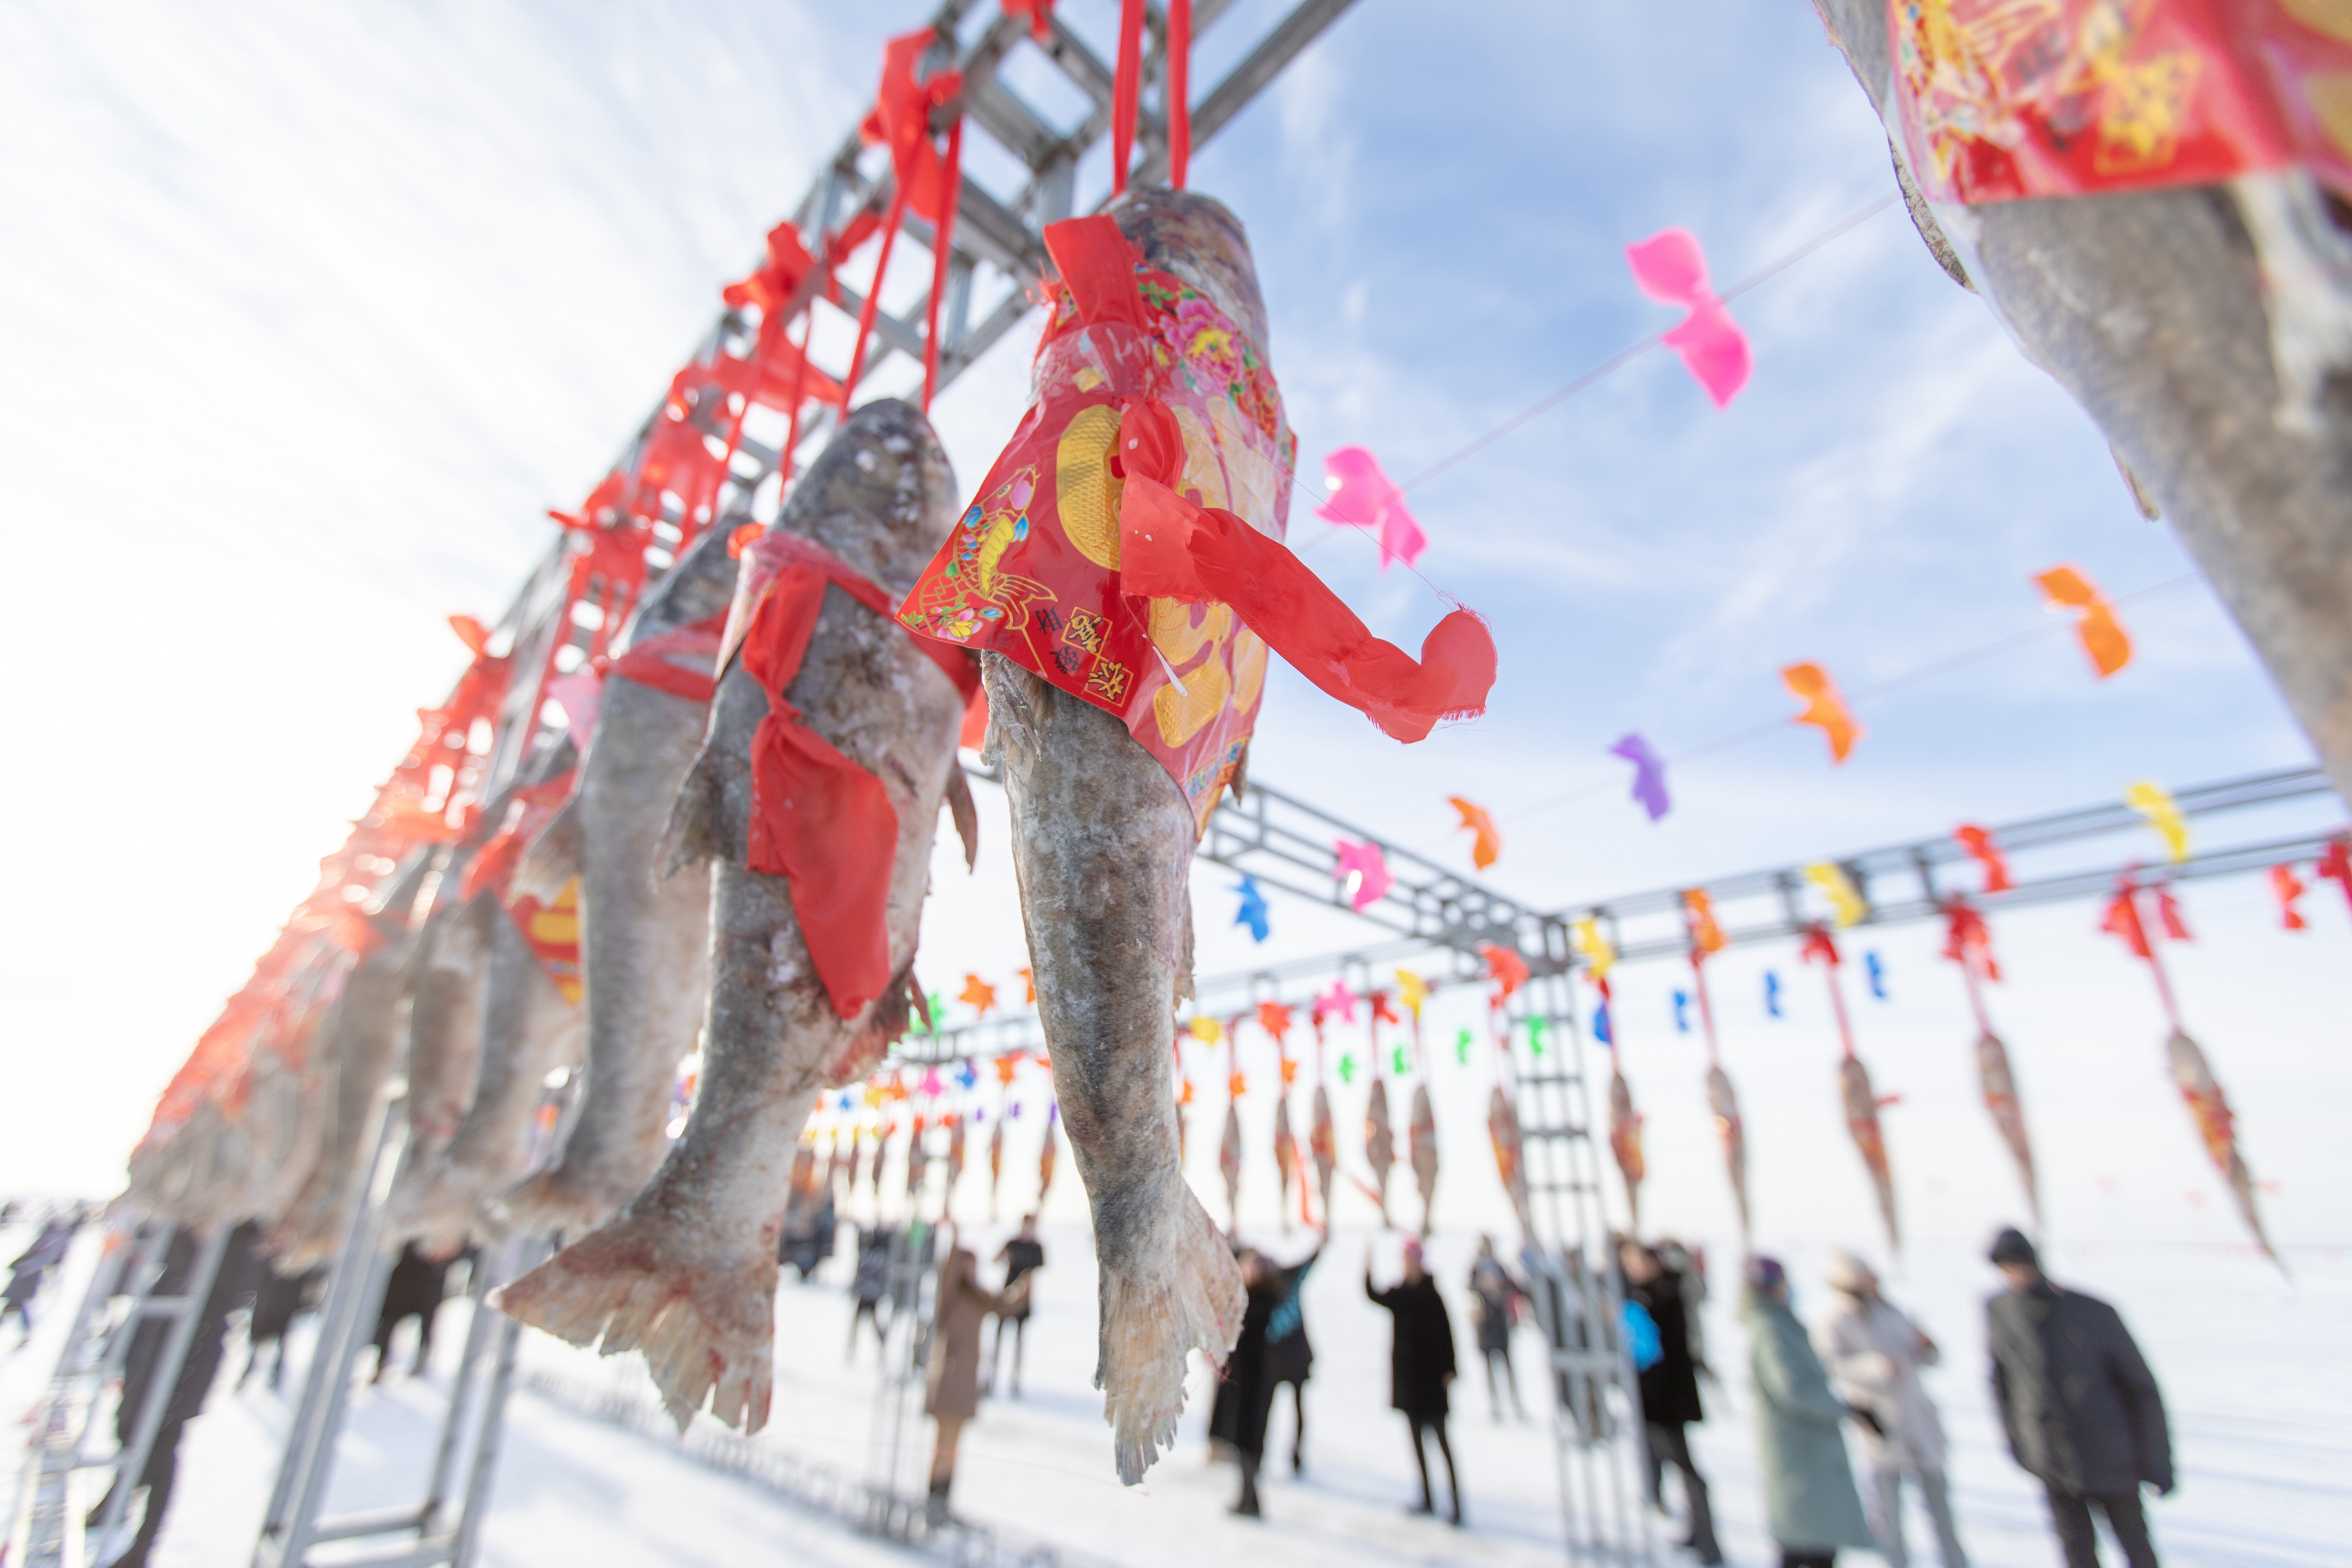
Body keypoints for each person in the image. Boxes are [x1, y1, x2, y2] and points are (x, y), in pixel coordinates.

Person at [1984, 1227, 2172, 1568]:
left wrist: (2158, 1459)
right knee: (2077, 1552)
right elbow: (2002, 1383)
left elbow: (2141, 1389)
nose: (2015, 1274)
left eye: (2019, 1264)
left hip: (2111, 1454)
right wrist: (2019, 1443)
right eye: (2006, 1267)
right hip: (2052, 1456)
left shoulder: (2092, 1311)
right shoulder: (2000, 1310)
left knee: (2137, 1548)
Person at [93, 1223, 261, 1568]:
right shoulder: (191, 1223)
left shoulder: (237, 1237)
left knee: (161, 1443)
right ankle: (116, 1501)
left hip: (190, 1344)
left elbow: (231, 1292)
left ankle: (144, 1544)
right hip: (160, 1334)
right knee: (129, 1429)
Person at [1814, 1252, 1968, 1568]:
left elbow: (1928, 1356)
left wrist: (1928, 1349)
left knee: (1942, 1513)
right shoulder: (1835, 1319)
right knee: (1889, 1520)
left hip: (1919, 1421)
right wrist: (1877, 1367)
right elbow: (1831, 1365)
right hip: (1880, 1425)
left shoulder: (1892, 1310)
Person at [1742, 1255, 1873, 1568]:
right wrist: (1843, 1408)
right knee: (1809, 1543)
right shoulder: (1770, 1328)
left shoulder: (1781, 1323)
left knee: (1809, 1544)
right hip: (1800, 1451)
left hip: (1808, 1451)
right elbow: (1791, 1388)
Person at [1623, 1240, 1723, 1564]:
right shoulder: (1656, 1294)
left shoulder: (1662, 1296)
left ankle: (1708, 1539)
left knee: (1686, 1468)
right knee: (1675, 1464)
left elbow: (1658, 1350)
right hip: (1660, 1397)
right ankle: (1698, 1532)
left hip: (1665, 1399)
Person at [923, 1225, 1026, 1526]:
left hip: (966, 1381)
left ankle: (943, 1499)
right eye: (965, 1263)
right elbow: (948, 1268)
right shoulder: (951, 1294)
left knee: (954, 1444)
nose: (968, 1268)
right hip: (948, 1376)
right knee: (943, 1441)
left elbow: (1004, 1305)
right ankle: (933, 1500)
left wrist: (1023, 1287)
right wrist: (955, 1237)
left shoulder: (977, 1297)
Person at [1366, 1238, 1462, 1525]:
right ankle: (1428, 1497)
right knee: (1417, 1443)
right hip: (1409, 1382)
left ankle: (1456, 1505)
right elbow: (1374, 1295)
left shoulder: (1432, 1295)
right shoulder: (1402, 1293)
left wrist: (1450, 1370)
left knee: (1442, 1444)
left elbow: (1448, 1336)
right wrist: (1367, 1264)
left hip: (1432, 1382)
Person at [1262, 1239, 1320, 1472]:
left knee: (1293, 1407)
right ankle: (1270, 1451)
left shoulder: (1285, 1281)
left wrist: (1319, 1245)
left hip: (1292, 1359)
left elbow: (1309, 1262)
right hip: (1280, 1361)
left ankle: (1296, 1453)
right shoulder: (1267, 1291)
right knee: (1275, 1407)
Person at [369, 1242, 452, 1382]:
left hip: (422, 1289)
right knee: (387, 1328)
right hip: (402, 1290)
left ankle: (421, 1358)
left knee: (424, 1327)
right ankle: (381, 1364)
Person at [1469, 1235, 1528, 1421]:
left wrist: (1501, 1287)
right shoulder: (1475, 1268)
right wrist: (1482, 1287)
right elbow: (1469, 1289)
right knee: (1489, 1367)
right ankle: (1495, 1405)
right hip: (1486, 1323)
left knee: (1508, 1366)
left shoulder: (1499, 1267)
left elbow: (1516, 1288)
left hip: (1501, 1324)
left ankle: (1515, 1403)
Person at [986, 1215, 1044, 1397]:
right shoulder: (1013, 1243)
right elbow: (995, 1260)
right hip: (1007, 1295)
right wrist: (1005, 1257)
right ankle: (991, 1379)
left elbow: (1040, 1268)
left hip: (1024, 1299)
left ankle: (1015, 1382)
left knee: (1019, 1341)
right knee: (998, 1339)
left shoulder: (1036, 1248)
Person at [239, 1262, 320, 1392]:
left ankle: (272, 1378)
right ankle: (247, 1376)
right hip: (270, 1307)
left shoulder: (301, 1260)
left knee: (277, 1345)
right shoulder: (276, 1262)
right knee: (257, 1344)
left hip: (283, 1309)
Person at [5, 1216, 75, 1345]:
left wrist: (24, 1266)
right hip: (26, 1274)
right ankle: (26, 1333)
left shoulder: (52, 1240)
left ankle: (26, 1334)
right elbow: (31, 1253)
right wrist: (16, 1263)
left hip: (28, 1276)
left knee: (17, 1303)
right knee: (14, 1304)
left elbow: (44, 1258)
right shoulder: (48, 1239)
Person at [847, 1224, 893, 1361]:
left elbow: (863, 1274)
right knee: (863, 1324)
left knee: (868, 1324)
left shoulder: (871, 1256)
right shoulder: (878, 1256)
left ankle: (856, 1350)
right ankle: (853, 1350)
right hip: (870, 1294)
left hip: (870, 1295)